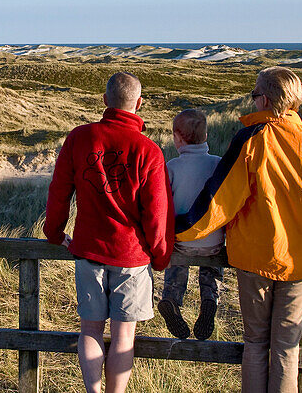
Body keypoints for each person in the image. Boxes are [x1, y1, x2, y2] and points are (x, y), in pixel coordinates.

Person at [176, 67, 302, 393]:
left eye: (254, 95)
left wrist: (177, 231)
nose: (252, 100)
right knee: (287, 347)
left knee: (255, 342)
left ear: (265, 99)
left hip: (255, 255)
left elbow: (219, 201)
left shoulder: (252, 139)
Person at [45, 71, 173, 393]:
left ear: (105, 101)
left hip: (88, 249)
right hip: (131, 256)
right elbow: (157, 214)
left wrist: (54, 232)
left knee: (89, 330)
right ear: (139, 103)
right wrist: (160, 255)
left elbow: (59, 191)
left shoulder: (79, 138)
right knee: (123, 336)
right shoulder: (149, 150)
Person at [157, 109, 224, 341]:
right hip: (213, 240)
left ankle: (171, 299)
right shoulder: (218, 164)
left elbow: (163, 205)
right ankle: (210, 299)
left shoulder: (172, 167)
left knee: (176, 262)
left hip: (182, 241)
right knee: (211, 267)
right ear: (206, 135)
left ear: (177, 137)